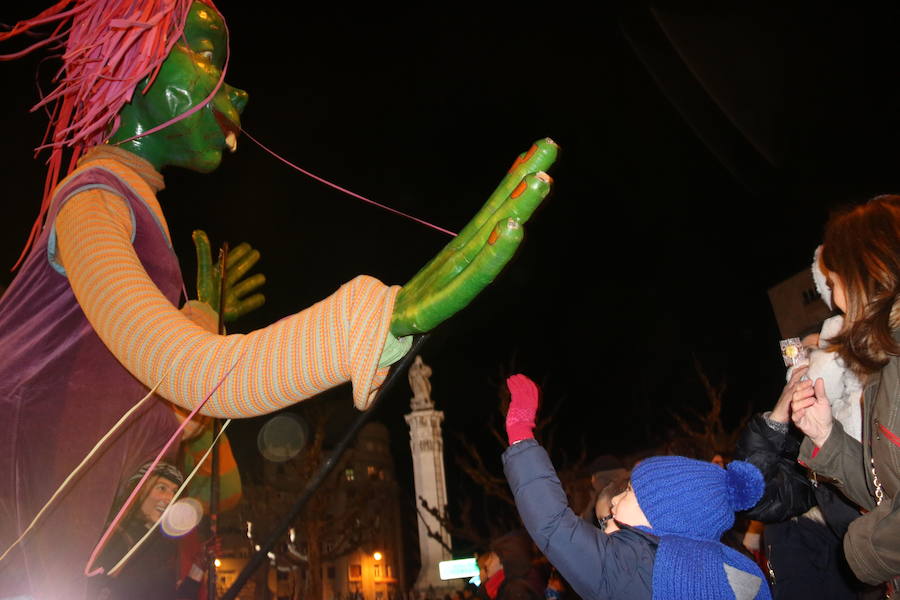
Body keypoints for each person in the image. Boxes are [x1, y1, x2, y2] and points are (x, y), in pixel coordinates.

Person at [0, 1, 555, 597]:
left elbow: (132, 414)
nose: (235, 92)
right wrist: (377, 319)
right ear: (138, 69)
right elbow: (193, 374)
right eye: (210, 56)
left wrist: (200, 319)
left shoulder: (131, 209)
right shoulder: (91, 200)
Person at [502, 374, 771, 599]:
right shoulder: (735, 571)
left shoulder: (636, 567)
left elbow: (551, 522)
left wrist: (521, 432)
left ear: (661, 513)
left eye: (630, 491)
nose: (617, 500)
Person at [792, 195, 900, 587]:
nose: (835, 300)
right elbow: (886, 493)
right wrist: (826, 436)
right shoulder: (885, 368)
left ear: (864, 274)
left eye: (835, 283)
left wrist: (860, 547)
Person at [90, 462, 206, 599]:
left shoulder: (160, 543)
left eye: (174, 492)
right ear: (138, 490)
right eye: (162, 488)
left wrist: (197, 568)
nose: (169, 498)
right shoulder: (116, 537)